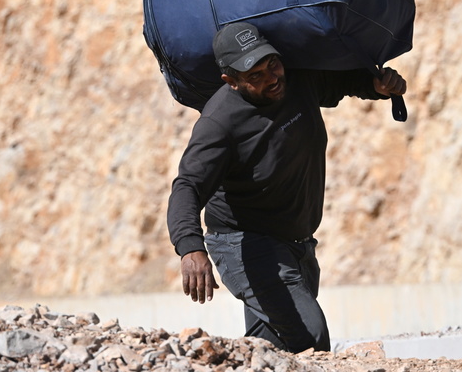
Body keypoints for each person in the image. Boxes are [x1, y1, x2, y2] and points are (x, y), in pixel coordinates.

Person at [166, 21, 407, 354]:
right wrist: (190, 247)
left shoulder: (296, 78)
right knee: (309, 337)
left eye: (272, 64)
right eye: (255, 76)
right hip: (244, 244)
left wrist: (377, 85)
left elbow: (341, 80)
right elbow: (188, 186)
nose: (272, 78)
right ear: (231, 82)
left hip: (296, 243)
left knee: (273, 350)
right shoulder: (219, 123)